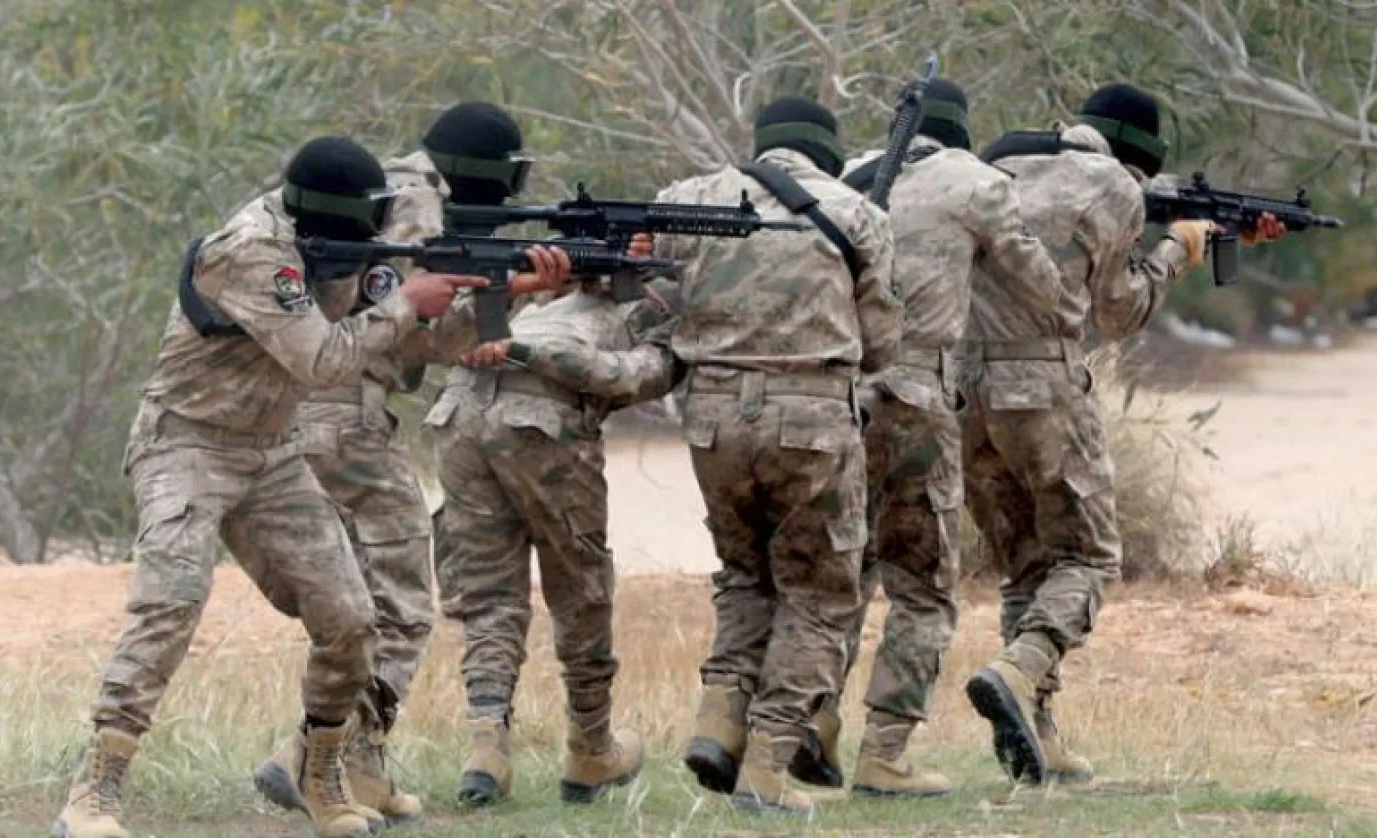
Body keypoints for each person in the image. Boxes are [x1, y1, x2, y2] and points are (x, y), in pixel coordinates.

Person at [53, 136, 568, 838]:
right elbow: (323, 361)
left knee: (349, 618)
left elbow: (416, 343)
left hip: (273, 451)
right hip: (187, 443)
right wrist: (406, 300)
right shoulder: (250, 250)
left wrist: (509, 292)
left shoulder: (348, 247)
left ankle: (319, 771)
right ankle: (96, 789)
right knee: (170, 602)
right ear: (335, 216)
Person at [958, 84, 1286, 786]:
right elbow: (1118, 314)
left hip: (959, 392)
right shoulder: (1113, 187)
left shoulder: (1002, 163)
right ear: (1141, 152)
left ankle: (1034, 733)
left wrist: (1207, 218)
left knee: (1027, 564)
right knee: (1089, 557)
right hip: (1040, 386)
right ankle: (1019, 668)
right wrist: (1177, 249)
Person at [250, 101, 546, 828]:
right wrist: (510, 297)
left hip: (305, 409)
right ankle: (325, 757)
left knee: (361, 602)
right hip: (345, 415)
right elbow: (407, 334)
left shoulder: (387, 189)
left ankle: (354, 764)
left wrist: (512, 289)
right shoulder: (420, 212)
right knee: (403, 603)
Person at [786, 80, 1066, 798]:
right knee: (923, 585)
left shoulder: (847, 177)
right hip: (915, 398)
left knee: (843, 572)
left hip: (837, 396)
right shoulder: (976, 184)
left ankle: (813, 718)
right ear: (963, 130)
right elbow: (1043, 288)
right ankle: (885, 753)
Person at [642, 95, 902, 816]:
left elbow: (646, 285)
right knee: (817, 593)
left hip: (712, 417)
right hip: (810, 419)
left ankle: (720, 717)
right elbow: (883, 344)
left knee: (744, 574)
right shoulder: (856, 213)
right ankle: (766, 765)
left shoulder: (688, 199)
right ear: (825, 149)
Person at [428, 271, 679, 807]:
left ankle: (486, 748)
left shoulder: (539, 298)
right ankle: (591, 747)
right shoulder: (649, 304)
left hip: (459, 414)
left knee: (488, 594)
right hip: (539, 421)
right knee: (580, 586)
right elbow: (632, 376)